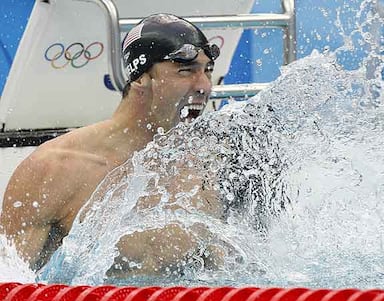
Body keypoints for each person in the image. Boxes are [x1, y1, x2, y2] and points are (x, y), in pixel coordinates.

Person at [0, 13, 222, 274]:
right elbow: (9, 283)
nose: (204, 86)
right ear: (140, 77)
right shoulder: (54, 169)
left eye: (207, 71)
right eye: (186, 71)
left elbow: (227, 278)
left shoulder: (204, 171)